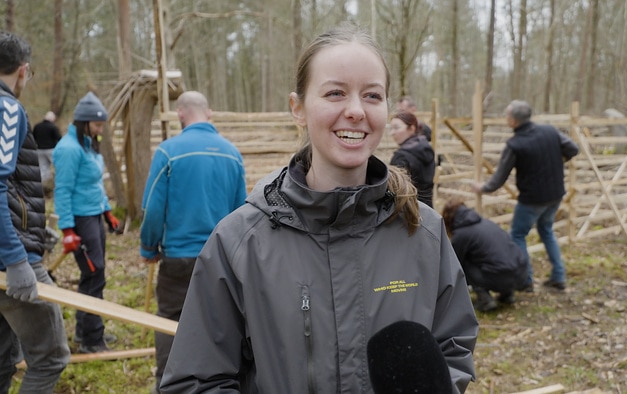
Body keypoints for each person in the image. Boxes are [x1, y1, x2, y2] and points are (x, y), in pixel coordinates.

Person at [160, 23, 478, 393]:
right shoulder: (239, 244)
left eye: (372, 96)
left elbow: (453, 350)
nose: (356, 110)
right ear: (298, 108)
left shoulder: (423, 233)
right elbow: (196, 381)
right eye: (335, 93)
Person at [140, 91, 247, 393]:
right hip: (221, 259)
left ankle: (167, 384)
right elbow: (242, 212)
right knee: (220, 325)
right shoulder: (232, 154)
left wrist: (149, 248)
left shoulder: (168, 152)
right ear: (209, 114)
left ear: (180, 114)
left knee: (171, 322)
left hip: (178, 258)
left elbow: (152, 210)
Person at [0, 30, 70, 393]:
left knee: (1, 361)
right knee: (51, 358)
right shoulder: (6, 107)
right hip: (10, 263)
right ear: (23, 71)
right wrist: (16, 257)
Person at [471, 100, 579, 291]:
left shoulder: (515, 144)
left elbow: (499, 179)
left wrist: (483, 188)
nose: (506, 119)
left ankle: (526, 280)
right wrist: (558, 161)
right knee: (546, 230)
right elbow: (573, 149)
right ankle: (559, 276)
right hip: (555, 194)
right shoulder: (550, 131)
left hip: (532, 199)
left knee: (518, 235)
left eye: (507, 116)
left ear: (513, 121)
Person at [53, 91, 121, 353]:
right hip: (80, 219)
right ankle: (92, 340)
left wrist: (108, 213)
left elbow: (95, 185)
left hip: (94, 216)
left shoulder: (88, 145)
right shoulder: (69, 149)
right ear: (84, 122)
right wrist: (68, 230)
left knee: (96, 273)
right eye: (97, 124)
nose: (100, 129)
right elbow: (63, 190)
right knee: (94, 272)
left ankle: (88, 332)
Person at [442, 199, 529, 312]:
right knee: (494, 259)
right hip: (521, 273)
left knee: (463, 264)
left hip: (501, 276)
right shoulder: (487, 223)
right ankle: (507, 294)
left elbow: (454, 264)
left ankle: (485, 300)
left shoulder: (461, 235)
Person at [389, 111, 436, 207]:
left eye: (396, 128)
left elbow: (395, 191)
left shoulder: (402, 157)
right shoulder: (426, 148)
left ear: (411, 128)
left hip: (409, 210)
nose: (392, 133)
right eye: (391, 128)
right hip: (428, 207)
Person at [32, 110, 61, 193]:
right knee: (58, 166)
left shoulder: (37, 126)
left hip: (39, 150)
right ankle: (56, 184)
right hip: (51, 150)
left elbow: (33, 137)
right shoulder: (53, 127)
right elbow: (59, 138)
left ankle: (43, 188)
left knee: (42, 169)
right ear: (52, 119)